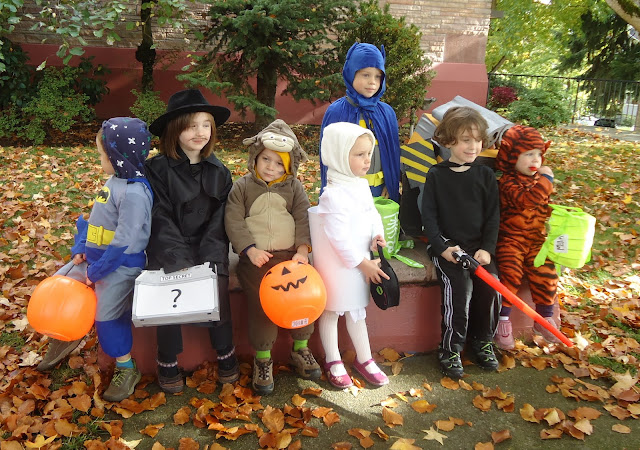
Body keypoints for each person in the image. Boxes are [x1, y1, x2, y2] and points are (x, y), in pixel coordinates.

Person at [36, 117, 153, 402]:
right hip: (95, 259)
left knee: (107, 317)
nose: (100, 160)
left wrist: (97, 271)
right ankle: (65, 333)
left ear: (118, 157)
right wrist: (81, 246)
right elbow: (96, 222)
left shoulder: (135, 193)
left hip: (120, 266)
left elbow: (124, 242)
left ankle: (126, 367)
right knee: (58, 287)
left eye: (102, 155)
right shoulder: (114, 181)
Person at [145, 89, 238, 393]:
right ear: (175, 130)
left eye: (205, 125)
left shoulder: (220, 172)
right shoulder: (157, 170)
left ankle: (225, 354)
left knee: (217, 285)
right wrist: (179, 258)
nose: (200, 132)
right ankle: (167, 358)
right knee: (169, 290)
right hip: (168, 245)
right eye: (191, 126)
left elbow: (221, 218)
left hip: (208, 244)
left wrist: (210, 256)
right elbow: (159, 215)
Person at [224, 119, 321, 395]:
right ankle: (263, 358)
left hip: (291, 258)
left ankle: (300, 348)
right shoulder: (242, 187)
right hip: (257, 261)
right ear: (255, 157)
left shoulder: (294, 187)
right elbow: (234, 220)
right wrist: (249, 249)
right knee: (263, 306)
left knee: (302, 299)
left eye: (279, 163)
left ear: (289, 166)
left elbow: (302, 218)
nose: (271, 167)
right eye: (266, 159)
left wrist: (302, 249)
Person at [420, 106, 501, 379]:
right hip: (448, 249)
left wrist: (487, 249)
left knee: (491, 288)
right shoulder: (436, 175)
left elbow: (493, 217)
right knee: (459, 289)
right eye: (466, 140)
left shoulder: (485, 175)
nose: (473, 146)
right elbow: (429, 218)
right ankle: (451, 348)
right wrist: (442, 248)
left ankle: (482, 341)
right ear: (449, 140)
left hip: (478, 250)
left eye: (477, 140)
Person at [311, 122, 390, 389]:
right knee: (332, 309)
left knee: (357, 310)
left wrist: (377, 235)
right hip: (338, 266)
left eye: (369, 153)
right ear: (338, 155)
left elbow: (372, 213)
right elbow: (338, 237)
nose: (367, 160)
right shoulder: (332, 195)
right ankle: (333, 359)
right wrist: (362, 263)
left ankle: (364, 358)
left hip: (360, 261)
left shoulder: (361, 186)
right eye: (359, 154)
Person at [493, 125, 559, 350]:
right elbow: (528, 201)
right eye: (528, 154)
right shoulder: (508, 182)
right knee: (510, 273)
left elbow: (543, 205)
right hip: (511, 239)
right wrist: (547, 179)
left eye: (539, 154)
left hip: (536, 240)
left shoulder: (537, 180)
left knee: (547, 271)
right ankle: (502, 320)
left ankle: (544, 317)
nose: (536, 159)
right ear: (512, 156)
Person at [319, 42, 401, 202]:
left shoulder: (386, 113)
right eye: (366, 75)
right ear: (351, 74)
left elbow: (392, 153)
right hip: (347, 193)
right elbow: (329, 157)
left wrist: (390, 183)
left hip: (380, 191)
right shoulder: (337, 111)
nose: (373, 82)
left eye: (378, 76)